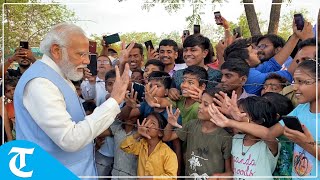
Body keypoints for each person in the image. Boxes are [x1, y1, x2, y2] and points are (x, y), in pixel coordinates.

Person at [14, 22, 130, 178]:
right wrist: (114, 100)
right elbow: (69, 139)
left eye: (87, 55)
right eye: (80, 54)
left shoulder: (59, 74)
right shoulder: (40, 83)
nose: (87, 61)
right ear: (56, 51)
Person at [163, 88, 232, 178]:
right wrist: (170, 124)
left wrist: (219, 176)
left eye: (205, 104)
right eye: (200, 103)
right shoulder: (191, 125)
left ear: (219, 109)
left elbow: (229, 173)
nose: (200, 106)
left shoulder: (225, 137)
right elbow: (166, 138)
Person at [209, 96, 280, 178]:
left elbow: (267, 133)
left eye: (241, 114)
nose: (237, 118)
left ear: (259, 120)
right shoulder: (236, 139)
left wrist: (230, 122)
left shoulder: (268, 144)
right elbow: (234, 172)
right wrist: (220, 177)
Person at [120, 112, 178, 178]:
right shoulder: (142, 145)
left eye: (153, 123)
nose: (147, 125)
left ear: (160, 133)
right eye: (146, 121)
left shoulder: (168, 153)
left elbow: (172, 177)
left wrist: (151, 178)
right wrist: (138, 134)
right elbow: (124, 146)